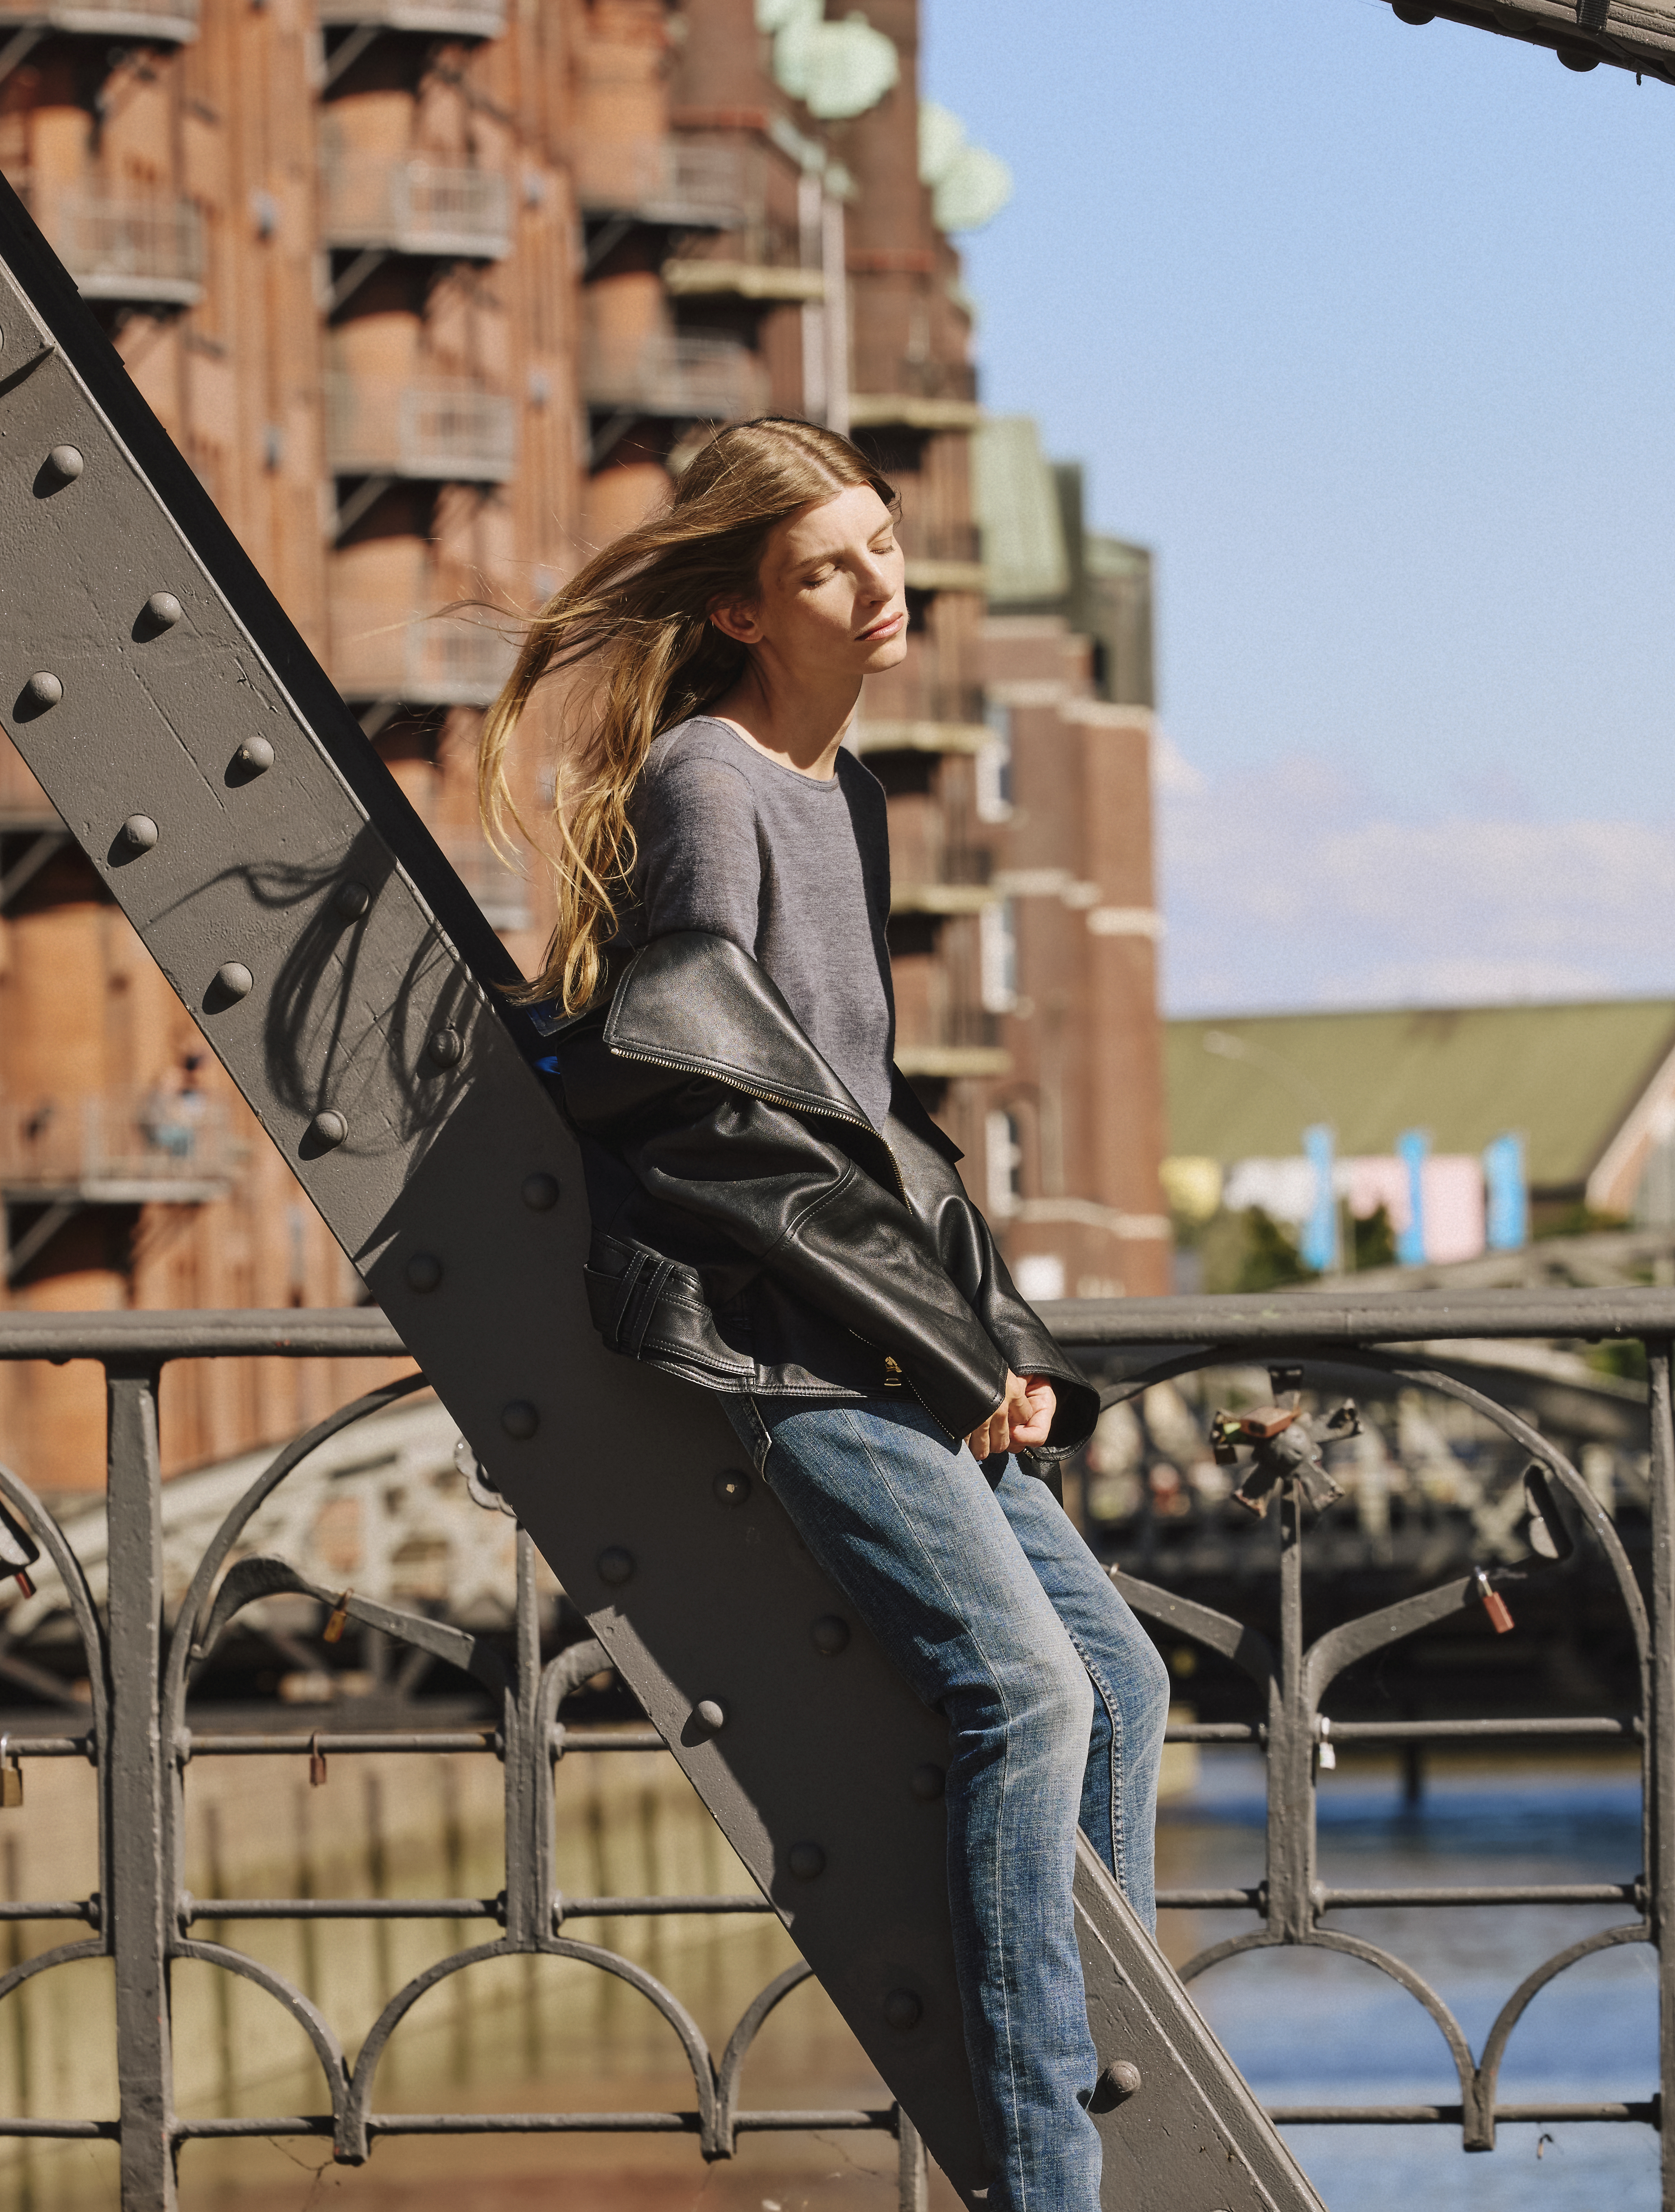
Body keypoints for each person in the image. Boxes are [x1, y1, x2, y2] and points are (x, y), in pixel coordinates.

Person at [476, 418, 1169, 2211]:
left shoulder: (842, 791)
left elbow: (860, 1118)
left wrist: (993, 1341)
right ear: (736, 607)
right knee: (1027, 1692)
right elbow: (711, 1113)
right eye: (828, 568)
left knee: (1122, 1674)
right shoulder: (714, 786)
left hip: (879, 1324)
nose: (882, 588)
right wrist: (937, 1352)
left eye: (883, 546)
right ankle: (1048, 2172)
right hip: (783, 1341)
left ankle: (1113, 2071)